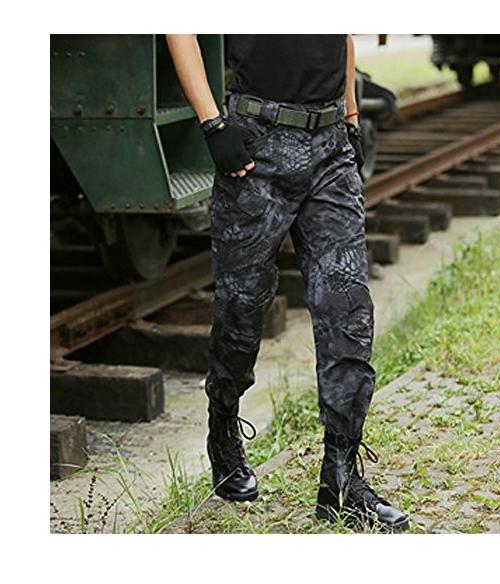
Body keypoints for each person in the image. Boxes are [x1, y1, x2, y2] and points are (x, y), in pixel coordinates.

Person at [166, 34, 409, 531]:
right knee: (241, 310)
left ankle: (341, 480)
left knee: (348, 312)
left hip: (330, 151)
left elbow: (342, 34)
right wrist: (212, 124)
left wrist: (350, 118)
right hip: (255, 149)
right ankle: (223, 426)